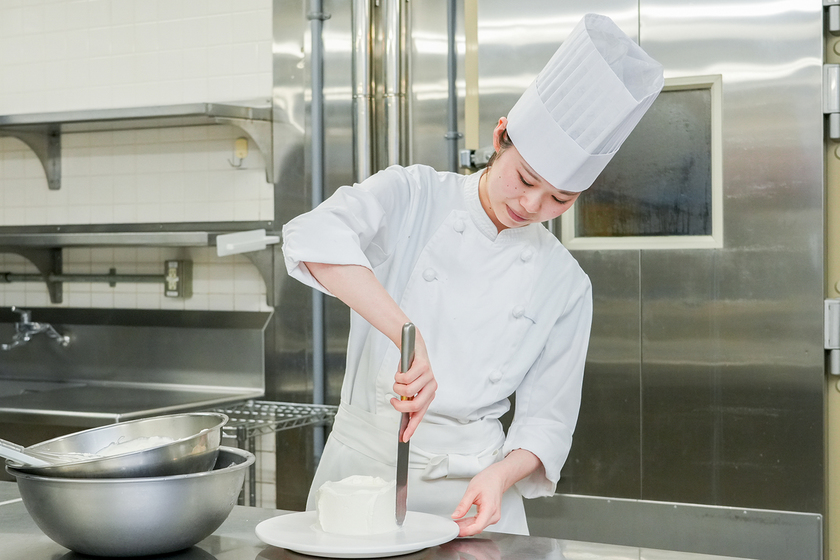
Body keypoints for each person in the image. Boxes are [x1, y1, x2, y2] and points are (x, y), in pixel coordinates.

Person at [282, 13, 664, 537]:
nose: (531, 206)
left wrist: (502, 475)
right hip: (364, 481)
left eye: (560, 198)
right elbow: (312, 235)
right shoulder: (414, 195)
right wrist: (407, 336)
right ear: (500, 135)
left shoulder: (567, 283)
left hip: (478, 497)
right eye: (525, 178)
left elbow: (547, 421)